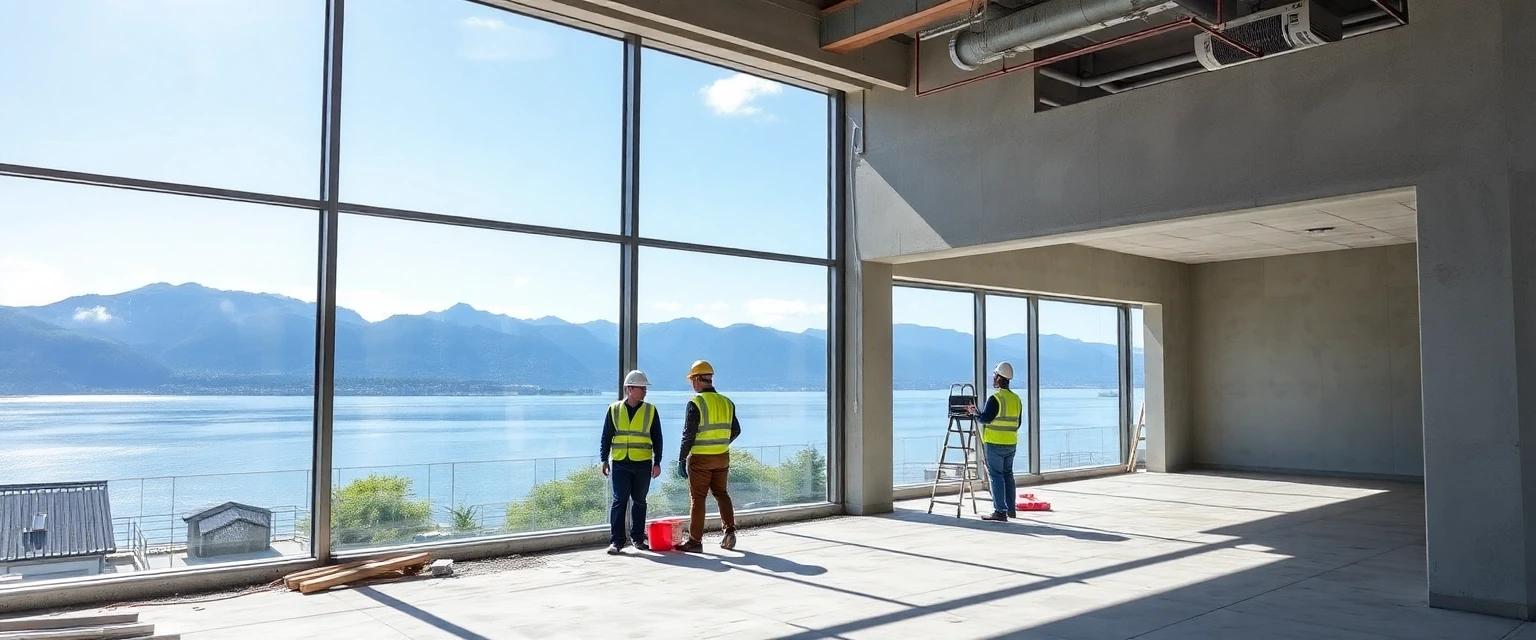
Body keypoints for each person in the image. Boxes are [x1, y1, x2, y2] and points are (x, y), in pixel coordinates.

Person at [674, 360, 740, 553]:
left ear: (696, 379)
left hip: (701, 460)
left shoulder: (696, 403)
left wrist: (681, 459)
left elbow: (689, 434)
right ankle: (729, 531)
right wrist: (721, 443)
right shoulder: (727, 402)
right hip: (722, 457)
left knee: (698, 499)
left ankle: (695, 541)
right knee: (722, 493)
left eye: (691, 380)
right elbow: (736, 430)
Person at [600, 370, 663, 554]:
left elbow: (657, 438)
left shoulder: (650, 410)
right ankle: (617, 541)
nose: (645, 391)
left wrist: (657, 462)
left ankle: (637, 538)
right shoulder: (614, 409)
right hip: (620, 462)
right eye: (642, 388)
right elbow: (606, 436)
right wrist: (604, 459)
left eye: (645, 388)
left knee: (640, 501)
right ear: (630, 389)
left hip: (643, 463)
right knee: (619, 501)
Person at [969, 362, 1022, 521]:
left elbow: (985, 419)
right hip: (1011, 443)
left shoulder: (995, 399)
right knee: (1008, 475)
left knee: (996, 476)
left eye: (994, 376)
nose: (993, 378)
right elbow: (1017, 423)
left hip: (994, 443)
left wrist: (974, 412)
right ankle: (1011, 509)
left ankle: (1000, 511)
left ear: (999, 378)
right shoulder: (1016, 399)